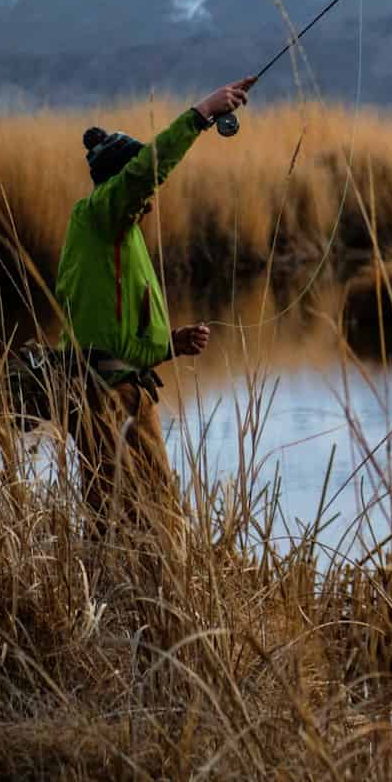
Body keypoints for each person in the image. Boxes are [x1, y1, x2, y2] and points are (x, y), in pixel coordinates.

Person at [49, 77, 255, 537]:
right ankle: (146, 605)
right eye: (141, 188)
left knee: (131, 522)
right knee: (147, 527)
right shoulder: (102, 216)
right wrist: (200, 114)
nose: (151, 195)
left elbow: (105, 330)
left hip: (121, 391)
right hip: (107, 399)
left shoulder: (117, 237)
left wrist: (169, 345)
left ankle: (132, 603)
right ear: (120, 185)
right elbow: (144, 172)